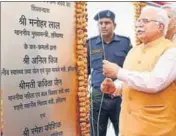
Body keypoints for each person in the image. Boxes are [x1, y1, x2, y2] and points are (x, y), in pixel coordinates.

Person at [101, 7, 176, 136]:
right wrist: (115, 87)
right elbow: (130, 80)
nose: (139, 24)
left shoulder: (170, 51)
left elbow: (154, 82)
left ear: (160, 26)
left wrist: (118, 72)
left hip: (156, 128)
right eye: (139, 20)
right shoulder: (133, 51)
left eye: (145, 21)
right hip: (129, 126)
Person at [87, 10, 131, 136]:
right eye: (100, 23)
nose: (103, 26)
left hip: (119, 96)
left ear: (114, 25)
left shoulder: (124, 43)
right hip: (97, 97)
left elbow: (131, 68)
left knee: (123, 131)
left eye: (107, 22)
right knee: (96, 133)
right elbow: (84, 70)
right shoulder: (90, 44)